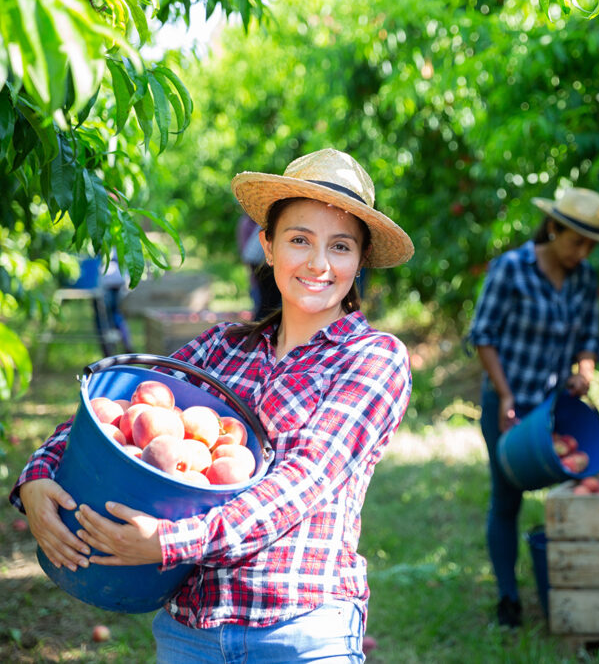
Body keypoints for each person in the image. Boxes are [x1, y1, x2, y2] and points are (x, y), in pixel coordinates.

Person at [10, 148, 415, 663]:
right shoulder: (221, 348)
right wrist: (39, 475)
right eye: (299, 240)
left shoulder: (374, 360)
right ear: (267, 247)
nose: (319, 263)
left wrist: (169, 542)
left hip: (300, 631)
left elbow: (303, 481)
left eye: (340, 247)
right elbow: (116, 408)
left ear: (359, 262)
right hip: (190, 631)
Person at [467, 187, 599, 627]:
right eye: (577, 241)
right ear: (553, 228)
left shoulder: (584, 278)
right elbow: (483, 335)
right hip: (509, 400)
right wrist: (506, 396)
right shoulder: (512, 269)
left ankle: (575, 582)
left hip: (553, 405)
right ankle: (508, 597)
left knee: (575, 488)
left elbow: (589, 339)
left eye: (590, 244)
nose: (583, 251)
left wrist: (585, 370)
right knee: (507, 494)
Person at [236, 214, 282, 319]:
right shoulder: (256, 223)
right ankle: (261, 326)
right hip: (262, 262)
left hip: (259, 260)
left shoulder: (257, 222)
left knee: (268, 300)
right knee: (269, 301)